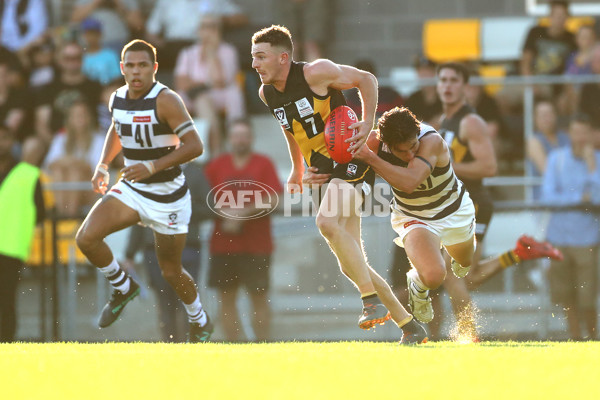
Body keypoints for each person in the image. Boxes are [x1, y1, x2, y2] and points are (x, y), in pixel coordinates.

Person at [251, 25, 427, 344]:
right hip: (323, 169)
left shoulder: (317, 72)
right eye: (253, 57)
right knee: (352, 264)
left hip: (351, 158)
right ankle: (410, 326)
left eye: (261, 57)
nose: (254, 64)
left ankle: (369, 302)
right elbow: (290, 128)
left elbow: (367, 79)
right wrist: (298, 168)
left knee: (326, 222)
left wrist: (368, 122)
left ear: (284, 57)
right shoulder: (267, 93)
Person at [75, 39, 213, 342]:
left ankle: (199, 319)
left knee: (171, 271)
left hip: (168, 197)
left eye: (143, 65)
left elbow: (195, 146)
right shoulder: (117, 97)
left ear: (155, 68)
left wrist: (152, 166)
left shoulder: (166, 100)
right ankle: (123, 286)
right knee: (86, 237)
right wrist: (102, 164)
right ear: (122, 68)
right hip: (133, 189)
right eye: (131, 66)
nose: (136, 72)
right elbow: (117, 126)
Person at [436, 63, 563, 339]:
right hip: (457, 205)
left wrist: (446, 166)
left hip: (472, 203)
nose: (447, 85)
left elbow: (489, 168)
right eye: (442, 80)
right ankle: (520, 252)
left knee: (450, 273)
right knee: (466, 277)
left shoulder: (471, 122)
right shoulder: (446, 121)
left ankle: (469, 336)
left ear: (466, 87)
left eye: (453, 80)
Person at [353, 106, 476, 328]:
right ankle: (417, 285)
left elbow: (410, 182)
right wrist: (317, 173)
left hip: (453, 210)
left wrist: (371, 159)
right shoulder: (374, 144)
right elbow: (348, 172)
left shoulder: (431, 140)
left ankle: (458, 254)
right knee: (434, 276)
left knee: (465, 262)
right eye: (402, 152)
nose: (410, 155)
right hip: (413, 216)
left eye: (413, 147)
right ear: (387, 144)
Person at [204, 119, 281, 341]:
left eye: (244, 135)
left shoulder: (263, 163)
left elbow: (274, 199)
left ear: (252, 138)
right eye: (236, 135)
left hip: (257, 245)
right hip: (222, 245)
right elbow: (202, 198)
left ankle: (262, 345)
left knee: (259, 297)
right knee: (226, 299)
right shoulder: (217, 165)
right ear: (229, 139)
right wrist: (225, 213)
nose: (240, 140)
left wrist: (242, 213)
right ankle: (234, 348)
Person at [123, 157, 213, 342]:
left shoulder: (196, 173)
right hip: (154, 249)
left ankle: (190, 350)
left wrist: (179, 208)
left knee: (188, 304)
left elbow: (210, 207)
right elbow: (138, 215)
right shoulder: (149, 172)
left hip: (187, 247)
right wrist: (130, 253)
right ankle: (171, 348)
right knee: (165, 304)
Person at [541, 114, 600, 341]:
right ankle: (575, 340)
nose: (580, 137)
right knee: (566, 297)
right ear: (570, 134)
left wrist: (592, 167)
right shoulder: (557, 159)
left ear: (591, 135)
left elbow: (597, 197)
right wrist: (579, 199)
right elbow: (548, 197)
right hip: (559, 238)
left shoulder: (597, 159)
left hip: (588, 240)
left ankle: (593, 342)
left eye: (584, 132)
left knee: (587, 299)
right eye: (576, 132)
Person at [174, 14, 246, 157]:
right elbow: (181, 83)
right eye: (204, 27)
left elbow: (221, 82)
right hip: (194, 97)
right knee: (201, 99)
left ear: (219, 30)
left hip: (220, 95)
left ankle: (233, 140)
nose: (208, 31)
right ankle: (216, 148)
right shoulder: (188, 53)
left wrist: (212, 54)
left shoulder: (228, 51)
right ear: (198, 30)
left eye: (212, 27)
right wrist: (204, 84)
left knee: (233, 94)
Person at [0, 129, 46, 342]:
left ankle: (6, 348)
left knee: (5, 302)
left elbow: (40, 213)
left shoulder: (28, 174)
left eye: (5, 137)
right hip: (11, 248)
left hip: (10, 249)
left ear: (13, 142)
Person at [43, 101, 104, 217]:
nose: (79, 118)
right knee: (58, 171)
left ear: (89, 117)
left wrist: (71, 162)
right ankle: (63, 216)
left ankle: (70, 217)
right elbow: (49, 164)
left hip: (91, 189)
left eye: (83, 115)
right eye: (75, 115)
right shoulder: (61, 138)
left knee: (75, 172)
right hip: (65, 184)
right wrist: (73, 162)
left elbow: (97, 169)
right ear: (69, 119)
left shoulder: (99, 139)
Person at [35, 41, 102, 143]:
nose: (73, 61)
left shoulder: (95, 87)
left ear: (82, 59)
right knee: (32, 145)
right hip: (55, 140)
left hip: (88, 141)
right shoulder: (48, 88)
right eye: (68, 58)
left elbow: (101, 122)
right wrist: (56, 146)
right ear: (59, 60)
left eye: (77, 57)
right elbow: (42, 125)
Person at [526, 99, 570, 199]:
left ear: (555, 116)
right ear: (535, 119)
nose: (546, 118)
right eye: (542, 115)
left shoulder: (565, 137)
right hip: (545, 194)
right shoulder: (533, 141)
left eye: (549, 114)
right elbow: (548, 172)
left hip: (568, 191)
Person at [71, 0, 143, 53]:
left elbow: (138, 25)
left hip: (117, 43)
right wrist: (96, 2)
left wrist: (119, 5)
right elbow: (75, 19)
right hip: (89, 44)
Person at [79, 18, 122, 85]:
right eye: (88, 34)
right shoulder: (80, 56)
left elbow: (116, 78)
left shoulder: (110, 55)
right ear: (84, 35)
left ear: (100, 34)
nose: (91, 37)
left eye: (94, 34)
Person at [404, 55, 442, 128]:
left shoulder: (444, 96)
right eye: (421, 72)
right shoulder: (413, 99)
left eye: (428, 71)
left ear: (434, 73)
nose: (424, 75)